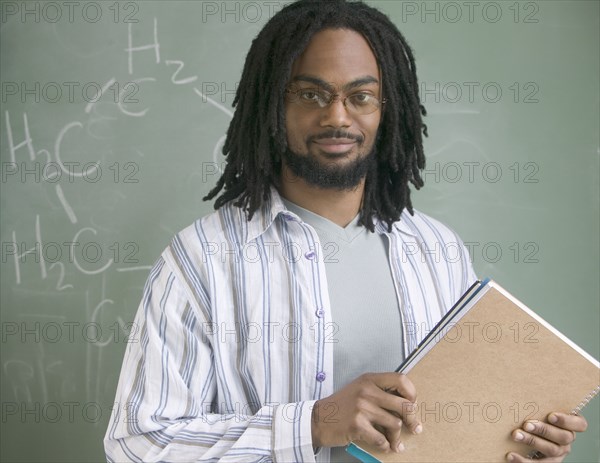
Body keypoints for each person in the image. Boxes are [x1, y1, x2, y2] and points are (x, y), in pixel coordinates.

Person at [104, 1, 588, 462]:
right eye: (311, 94)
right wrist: (314, 424)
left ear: (387, 108)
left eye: (360, 97)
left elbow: (460, 427)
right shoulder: (203, 259)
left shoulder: (438, 251)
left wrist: (516, 445)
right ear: (274, 104)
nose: (337, 117)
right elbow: (138, 444)